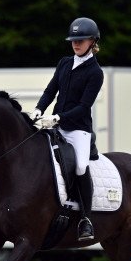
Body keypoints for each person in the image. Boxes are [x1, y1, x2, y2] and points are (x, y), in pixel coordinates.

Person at [31, 17, 103, 241]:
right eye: (73, 40)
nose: (76, 44)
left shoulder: (95, 72)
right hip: (55, 124)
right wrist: (38, 109)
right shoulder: (64, 63)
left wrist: (59, 117)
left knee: (81, 166)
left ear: (92, 41)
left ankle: (85, 219)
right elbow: (51, 90)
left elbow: (83, 108)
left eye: (81, 40)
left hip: (77, 130)